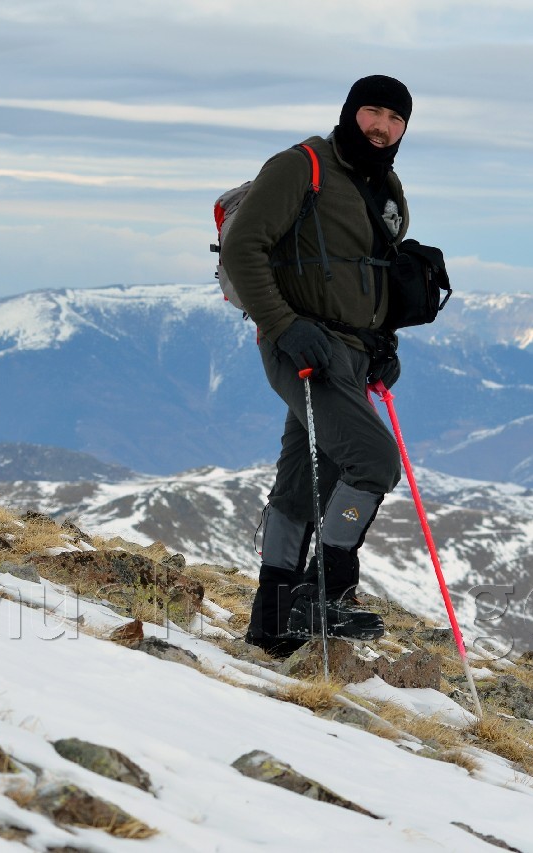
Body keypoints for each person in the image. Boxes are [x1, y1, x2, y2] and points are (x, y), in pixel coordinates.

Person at [221, 75, 413, 656]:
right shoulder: (299, 165)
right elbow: (242, 247)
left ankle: (272, 623)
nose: (382, 126)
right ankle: (325, 593)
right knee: (373, 461)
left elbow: (370, 269)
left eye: (395, 118)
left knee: (303, 486)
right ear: (350, 112)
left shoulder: (384, 183)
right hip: (304, 345)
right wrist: (284, 326)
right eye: (372, 112)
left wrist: (382, 342)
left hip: (351, 352)